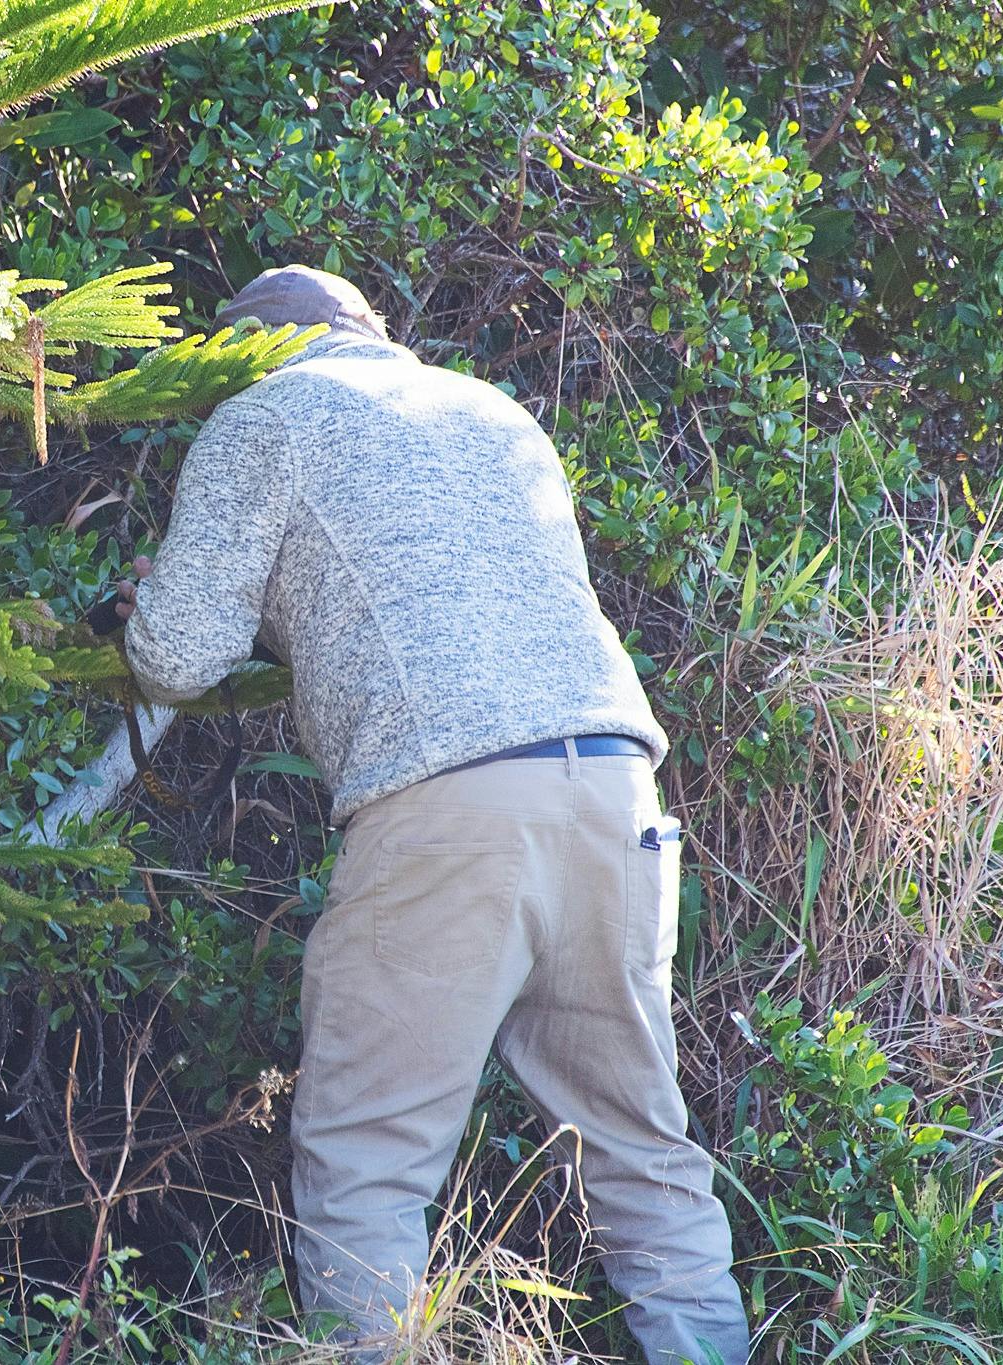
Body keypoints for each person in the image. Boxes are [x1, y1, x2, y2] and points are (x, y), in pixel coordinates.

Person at [110, 265, 752, 1365]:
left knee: (364, 1157)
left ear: (246, 352)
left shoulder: (260, 416)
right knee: (638, 1149)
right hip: (612, 789)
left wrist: (130, 608)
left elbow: (176, 657)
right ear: (371, 331)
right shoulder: (492, 410)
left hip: (447, 807)